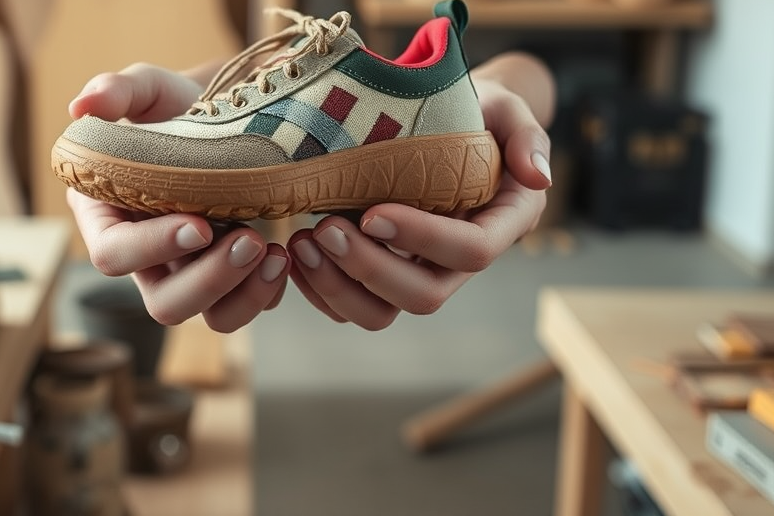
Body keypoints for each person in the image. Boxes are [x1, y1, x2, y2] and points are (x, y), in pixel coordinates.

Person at [65, 50, 555, 333]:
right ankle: (440, 119)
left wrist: (500, 90)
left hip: (383, 106)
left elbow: (536, 70)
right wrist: (209, 93)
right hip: (406, 110)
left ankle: (433, 120)